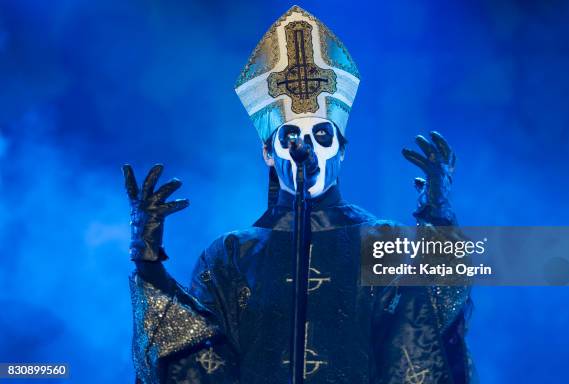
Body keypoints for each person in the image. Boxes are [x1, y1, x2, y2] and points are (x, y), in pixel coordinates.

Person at [125, 6, 473, 384]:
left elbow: (430, 325)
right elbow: (199, 360)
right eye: (291, 137)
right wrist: (149, 264)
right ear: (268, 153)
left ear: (342, 148)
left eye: (322, 135)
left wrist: (439, 221)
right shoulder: (229, 256)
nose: (305, 148)